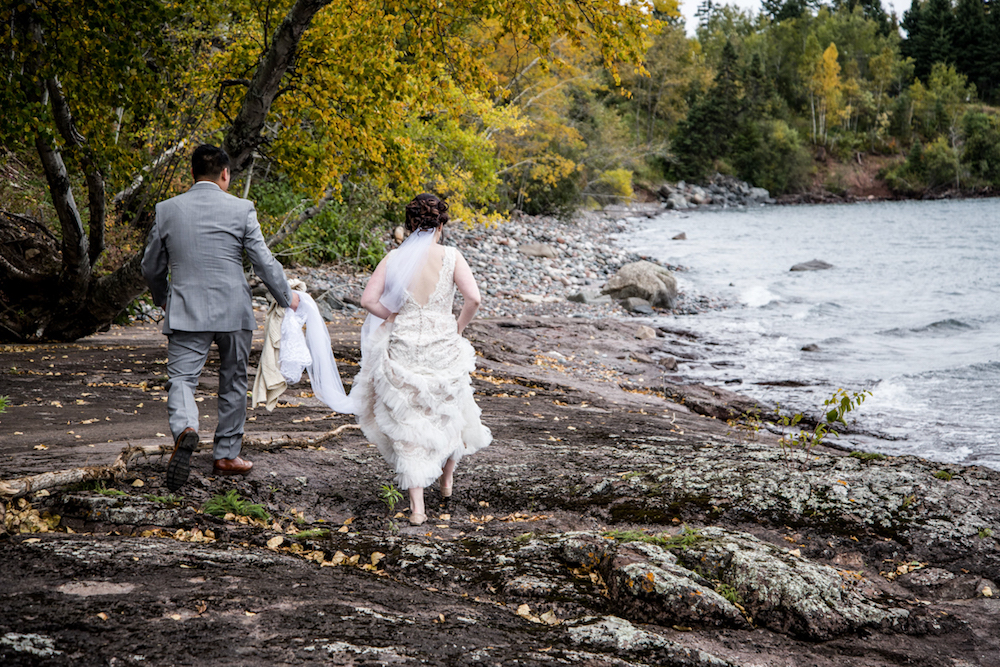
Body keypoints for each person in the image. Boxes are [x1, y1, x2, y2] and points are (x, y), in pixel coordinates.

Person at [141, 144, 299, 492]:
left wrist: (164, 300)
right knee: (233, 381)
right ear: (225, 174)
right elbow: (262, 260)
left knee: (181, 378)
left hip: (186, 309)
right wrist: (288, 297)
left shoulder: (167, 210)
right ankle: (227, 454)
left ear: (193, 173)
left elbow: (151, 266)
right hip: (233, 310)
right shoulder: (242, 209)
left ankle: (185, 427)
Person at [352, 193, 492, 525]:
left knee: (409, 420)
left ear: (410, 224)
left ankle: (417, 509)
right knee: (448, 409)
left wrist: (393, 315)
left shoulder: (395, 259)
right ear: (440, 224)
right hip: (443, 341)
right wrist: (457, 326)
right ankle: (446, 481)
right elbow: (474, 298)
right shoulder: (452, 257)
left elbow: (367, 300)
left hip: (405, 343)